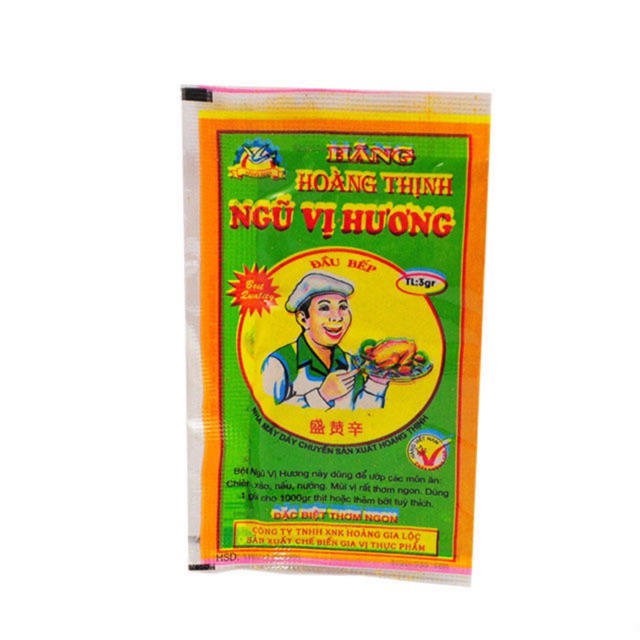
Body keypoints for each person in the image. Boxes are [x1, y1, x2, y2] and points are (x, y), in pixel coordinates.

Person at [261, 271, 390, 409]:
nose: (337, 317)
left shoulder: (351, 363)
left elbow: (362, 413)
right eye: (324, 308)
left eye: (343, 307)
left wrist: (377, 382)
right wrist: (322, 396)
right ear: (303, 318)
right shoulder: (279, 363)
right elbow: (270, 412)